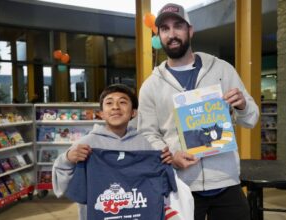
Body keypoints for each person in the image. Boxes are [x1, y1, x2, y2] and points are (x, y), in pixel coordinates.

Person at [137, 3, 259, 220]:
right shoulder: (151, 85)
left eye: (178, 26)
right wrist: (171, 156)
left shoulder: (222, 69)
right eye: (164, 29)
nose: (172, 34)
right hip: (180, 186)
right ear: (159, 35)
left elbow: (251, 119)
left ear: (190, 30)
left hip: (226, 183)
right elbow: (147, 134)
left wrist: (242, 105)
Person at [52, 84, 173, 220]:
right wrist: (68, 159)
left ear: (133, 112)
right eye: (109, 103)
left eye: (122, 102)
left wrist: (165, 161)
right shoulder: (86, 144)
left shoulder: (144, 144)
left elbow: (160, 184)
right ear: (101, 113)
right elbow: (61, 183)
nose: (115, 106)